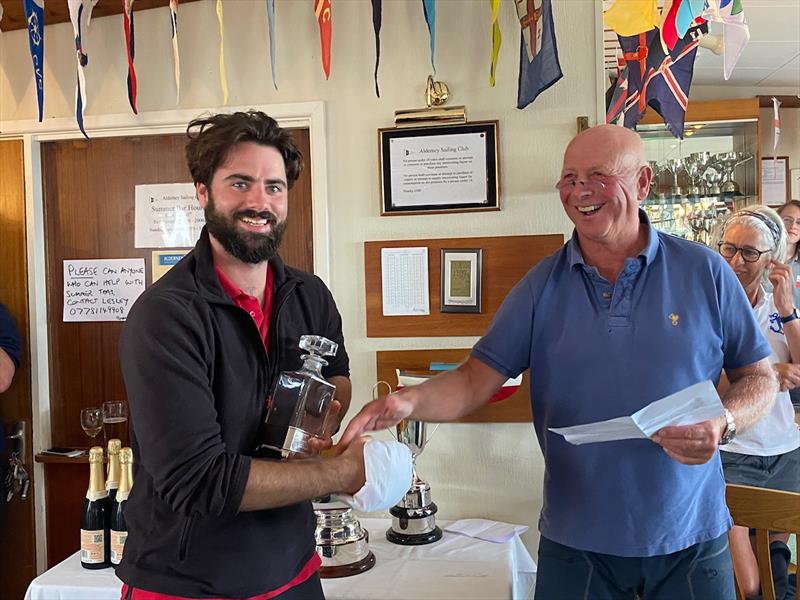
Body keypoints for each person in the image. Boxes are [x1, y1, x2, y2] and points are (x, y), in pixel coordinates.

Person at [340, 124, 778, 599]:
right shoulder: (539, 286)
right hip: (577, 543)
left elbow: (758, 376)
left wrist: (725, 422)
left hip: (690, 536)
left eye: (598, 174)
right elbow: (473, 380)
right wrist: (408, 403)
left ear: (643, 182)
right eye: (569, 178)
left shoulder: (705, 270)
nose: (579, 191)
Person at [117, 111, 368, 600]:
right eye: (240, 183)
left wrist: (319, 414)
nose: (260, 201)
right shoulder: (164, 317)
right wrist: (344, 471)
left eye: (274, 186)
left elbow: (338, 375)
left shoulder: (309, 295)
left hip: (294, 568)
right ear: (203, 191)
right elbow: (202, 480)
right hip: (188, 584)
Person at [712, 205, 800, 600]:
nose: (736, 260)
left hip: (785, 448)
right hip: (733, 449)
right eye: (729, 248)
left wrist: (788, 310)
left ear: (773, 258)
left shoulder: (778, 304)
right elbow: (703, 388)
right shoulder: (709, 305)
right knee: (748, 584)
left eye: (750, 252)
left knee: (776, 547)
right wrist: (767, 376)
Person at [775, 199, 800, 408]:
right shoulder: (765, 260)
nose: (793, 226)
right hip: (772, 337)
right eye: (788, 220)